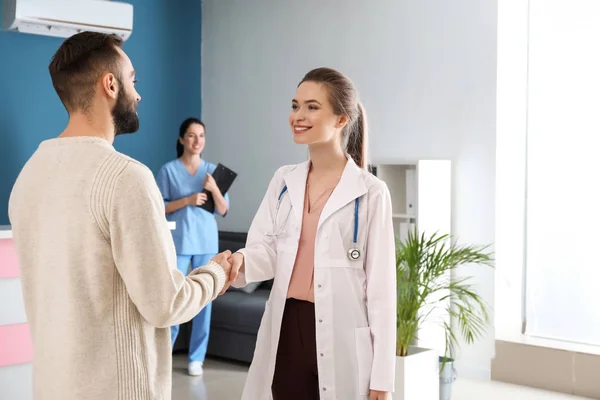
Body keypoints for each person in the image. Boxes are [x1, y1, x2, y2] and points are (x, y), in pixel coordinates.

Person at [8, 32, 232, 400]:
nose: (138, 93)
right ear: (110, 84)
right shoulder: (127, 177)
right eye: (133, 80)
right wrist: (217, 273)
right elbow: (166, 304)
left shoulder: (28, 177)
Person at [228, 67, 397, 400]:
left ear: (340, 120)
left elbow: (381, 290)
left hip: (343, 332)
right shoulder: (283, 181)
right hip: (288, 327)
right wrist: (239, 260)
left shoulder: (371, 192)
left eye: (312, 107)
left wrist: (383, 379)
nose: (298, 116)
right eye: (295, 105)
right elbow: (266, 251)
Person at [156, 117, 230, 376]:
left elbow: (223, 209)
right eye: (191, 135)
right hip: (177, 241)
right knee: (172, 298)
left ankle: (196, 358)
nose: (197, 140)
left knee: (204, 301)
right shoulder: (167, 171)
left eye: (201, 136)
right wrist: (186, 200)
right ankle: (163, 354)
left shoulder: (212, 171)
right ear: (181, 139)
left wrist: (213, 188)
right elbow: (159, 208)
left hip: (206, 242)